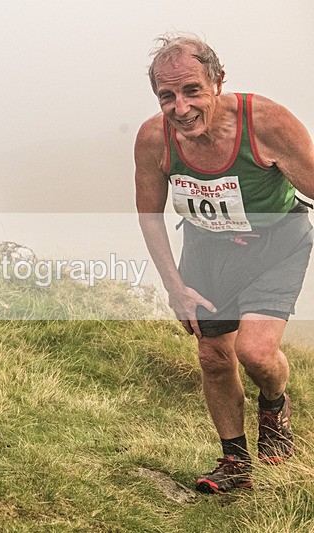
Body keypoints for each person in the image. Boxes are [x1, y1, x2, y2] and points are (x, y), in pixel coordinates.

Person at [135, 34, 314, 494]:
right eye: (167, 96)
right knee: (213, 358)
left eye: (192, 90)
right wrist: (174, 287)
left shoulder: (266, 123)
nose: (180, 107)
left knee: (254, 351)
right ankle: (235, 463)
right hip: (207, 250)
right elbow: (149, 216)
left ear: (218, 82)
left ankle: (274, 404)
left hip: (276, 243)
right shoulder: (154, 138)